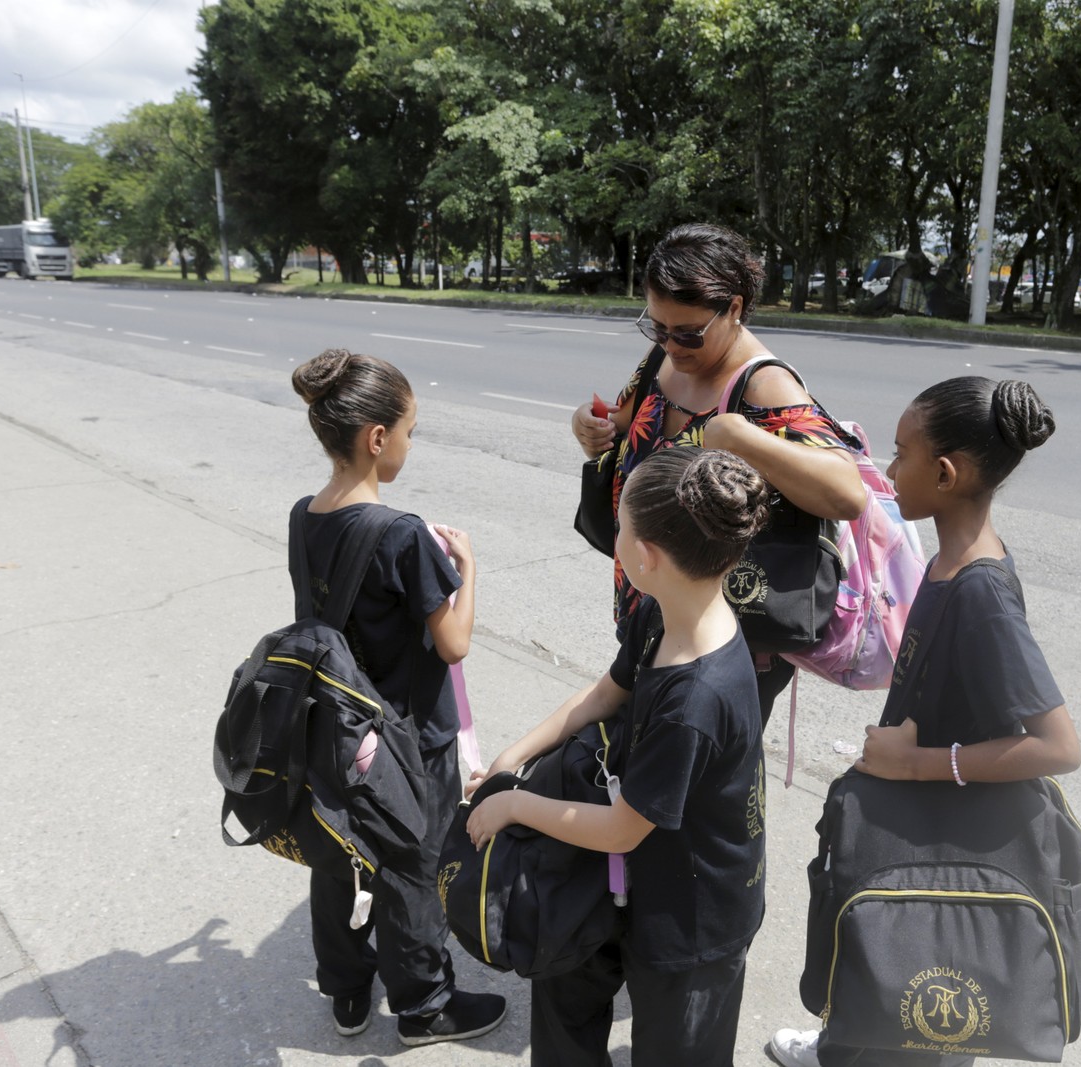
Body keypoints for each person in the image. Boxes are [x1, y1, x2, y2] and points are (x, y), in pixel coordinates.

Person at [767, 376, 1081, 1067]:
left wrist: (917, 764)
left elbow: (1059, 746)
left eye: (903, 453)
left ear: (945, 473)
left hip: (943, 840)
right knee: (885, 989)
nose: (888, 468)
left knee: (914, 1013)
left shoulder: (980, 592)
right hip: (921, 823)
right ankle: (839, 1045)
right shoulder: (948, 559)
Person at [466, 447, 771, 1067]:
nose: (618, 539)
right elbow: (606, 692)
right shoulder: (661, 613)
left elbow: (622, 828)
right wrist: (511, 757)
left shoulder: (695, 700)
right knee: (563, 1002)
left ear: (647, 557)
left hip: (693, 920)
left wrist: (515, 805)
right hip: (628, 879)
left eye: (622, 527)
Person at [289, 348, 506, 1046]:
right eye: (411, 430)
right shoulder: (404, 534)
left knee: (341, 853)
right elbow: (453, 643)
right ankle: (424, 1006)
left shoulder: (305, 515)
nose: (411, 443)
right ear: (376, 438)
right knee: (413, 866)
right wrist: (467, 569)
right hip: (408, 738)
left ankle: (349, 989)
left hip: (336, 725)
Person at [570, 222, 866, 725]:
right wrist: (588, 423)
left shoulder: (766, 386)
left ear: (733, 308)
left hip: (723, 638)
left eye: (688, 332)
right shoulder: (665, 358)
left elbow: (847, 493)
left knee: (692, 777)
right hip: (651, 605)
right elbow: (623, 421)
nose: (672, 344)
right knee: (640, 759)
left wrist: (740, 436)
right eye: (657, 327)